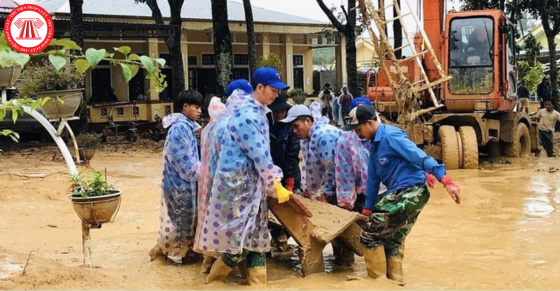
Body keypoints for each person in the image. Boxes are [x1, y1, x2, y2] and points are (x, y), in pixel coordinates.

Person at [345, 105, 460, 284]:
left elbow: (419, 156)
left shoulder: (391, 136)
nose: (358, 134)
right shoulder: (374, 146)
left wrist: (445, 179)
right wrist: (367, 210)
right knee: (392, 239)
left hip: (410, 191)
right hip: (402, 192)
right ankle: (396, 282)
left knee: (368, 235)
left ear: (369, 123)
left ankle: (377, 282)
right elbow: (373, 181)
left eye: (359, 129)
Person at [202, 67, 292, 287]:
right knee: (236, 245)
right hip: (237, 190)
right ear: (259, 88)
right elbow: (260, 155)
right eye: (273, 89)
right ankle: (210, 284)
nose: (276, 94)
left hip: (251, 188)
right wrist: (275, 182)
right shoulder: (247, 116)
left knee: (257, 242)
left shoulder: (257, 113)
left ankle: (257, 284)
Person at [149, 90, 204, 263]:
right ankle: (168, 253)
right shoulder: (180, 129)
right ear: (185, 107)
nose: (199, 110)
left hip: (182, 185)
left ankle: (169, 252)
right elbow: (186, 162)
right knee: (182, 223)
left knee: (184, 223)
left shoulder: (186, 127)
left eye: (200, 107)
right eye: (196, 107)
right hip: (178, 186)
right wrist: (206, 173)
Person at [280, 102, 341, 203]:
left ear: (308, 121)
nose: (294, 131)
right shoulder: (308, 138)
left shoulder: (323, 136)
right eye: (292, 128)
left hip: (339, 189)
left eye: (296, 126)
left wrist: (327, 192)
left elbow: (331, 167)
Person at [268, 94, 301, 192]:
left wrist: (289, 180)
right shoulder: (266, 126)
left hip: (290, 173)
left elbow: (292, 154)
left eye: (282, 111)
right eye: (276, 111)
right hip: (271, 173)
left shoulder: (291, 128)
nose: (279, 114)